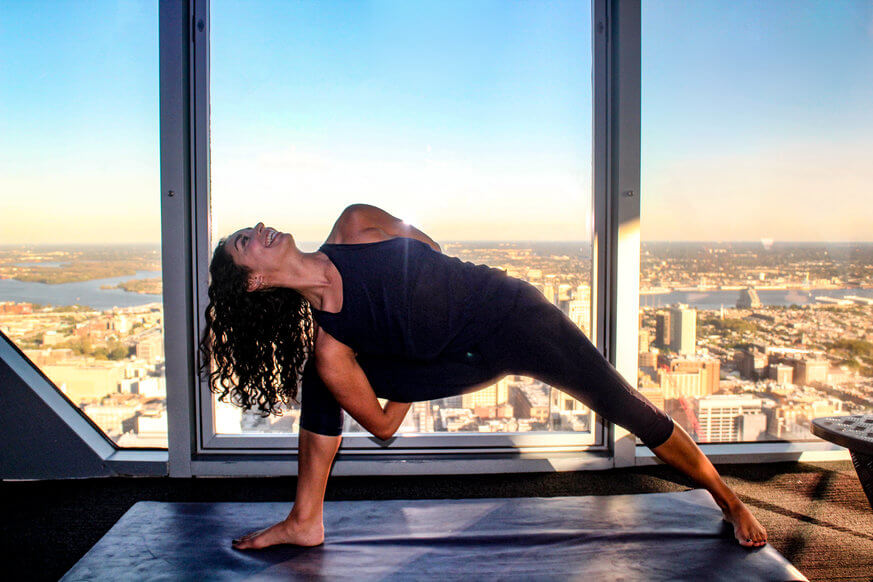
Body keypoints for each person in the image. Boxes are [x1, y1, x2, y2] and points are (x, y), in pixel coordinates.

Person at [198, 203, 768, 551]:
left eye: (252, 227)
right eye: (245, 241)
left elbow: (429, 245)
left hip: (518, 317)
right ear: (253, 283)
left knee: (628, 407)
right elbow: (383, 427)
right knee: (322, 373)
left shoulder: (354, 225)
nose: (260, 227)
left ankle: (728, 499)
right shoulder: (333, 351)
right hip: (461, 361)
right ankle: (305, 520)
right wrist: (414, 365)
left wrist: (421, 321)